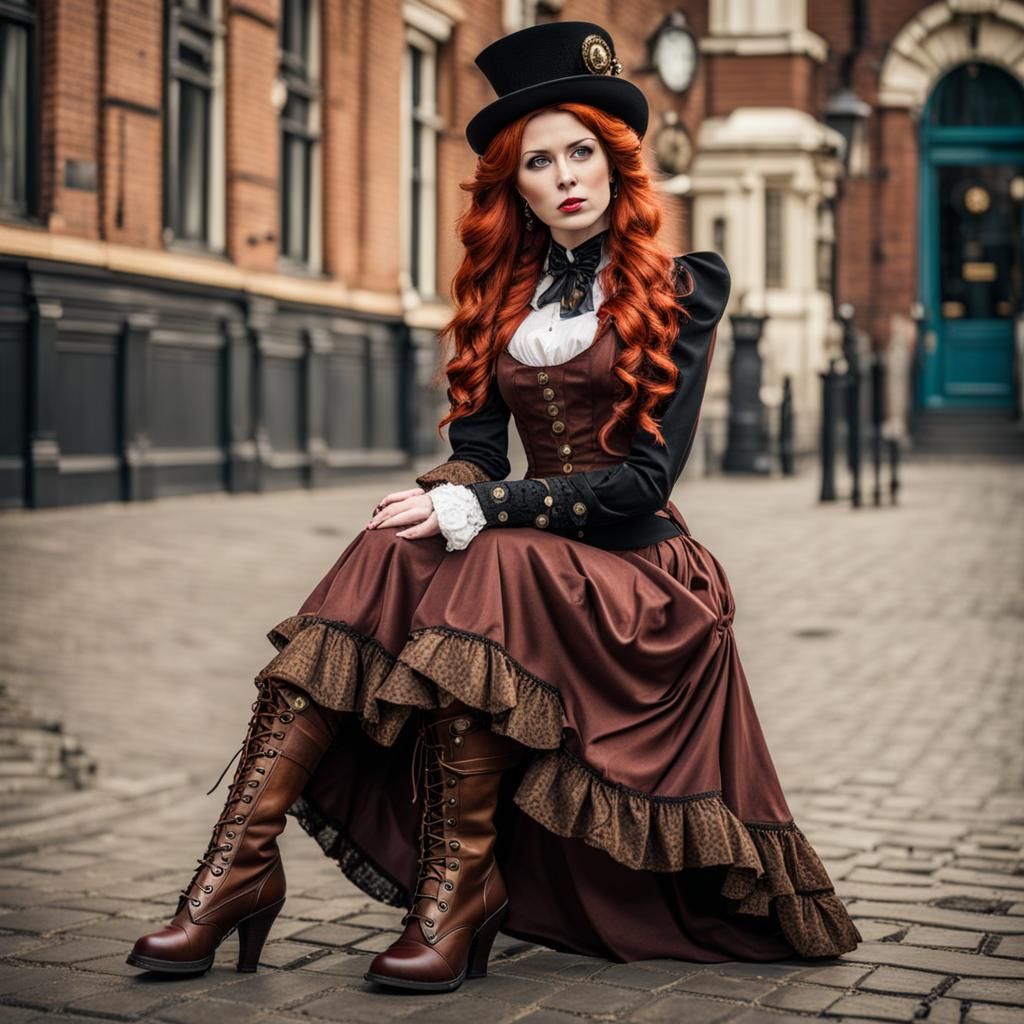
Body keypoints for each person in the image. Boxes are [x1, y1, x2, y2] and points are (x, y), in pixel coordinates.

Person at [127, 20, 861, 994]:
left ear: (615, 162)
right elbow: (478, 455)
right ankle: (236, 869)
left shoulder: (680, 288)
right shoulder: (500, 295)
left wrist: (487, 509)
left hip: (638, 575)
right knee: (387, 545)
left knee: (495, 560)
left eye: (581, 152)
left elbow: (645, 482)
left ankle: (459, 887)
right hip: (534, 563)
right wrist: (440, 495)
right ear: (513, 186)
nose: (565, 177)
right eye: (538, 162)